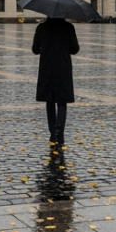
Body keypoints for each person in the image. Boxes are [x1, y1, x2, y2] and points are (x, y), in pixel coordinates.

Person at [32, 16, 79, 145]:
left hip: (47, 67)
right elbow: (75, 49)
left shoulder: (42, 27)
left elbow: (35, 49)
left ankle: (52, 133)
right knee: (62, 101)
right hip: (63, 67)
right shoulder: (68, 27)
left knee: (50, 100)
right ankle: (60, 133)